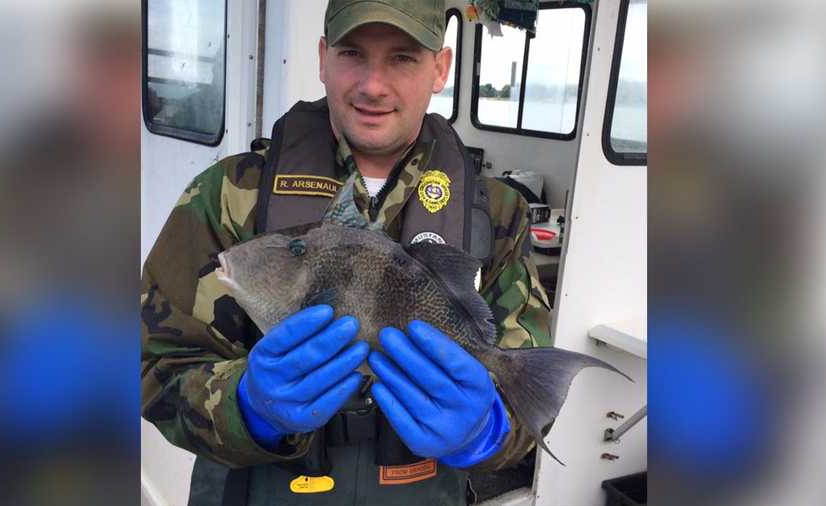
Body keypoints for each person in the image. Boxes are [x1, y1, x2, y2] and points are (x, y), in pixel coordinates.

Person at [141, 1, 552, 504]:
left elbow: (530, 401)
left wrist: (484, 431)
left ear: (440, 68)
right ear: (322, 58)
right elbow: (152, 366)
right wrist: (245, 405)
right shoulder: (227, 194)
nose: (373, 85)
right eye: (353, 53)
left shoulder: (496, 211)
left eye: (403, 57)